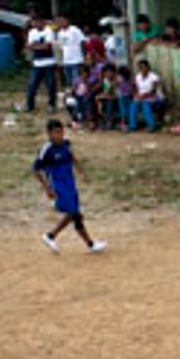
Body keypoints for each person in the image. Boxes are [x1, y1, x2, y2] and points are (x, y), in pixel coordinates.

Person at [34, 119, 105, 253]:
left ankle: (51, 236)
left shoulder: (65, 143)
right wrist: (47, 188)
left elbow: (71, 155)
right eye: (56, 132)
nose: (59, 135)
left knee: (73, 214)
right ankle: (90, 244)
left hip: (70, 182)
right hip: (58, 184)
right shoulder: (46, 150)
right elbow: (36, 170)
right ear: (49, 134)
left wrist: (80, 170)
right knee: (75, 213)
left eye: (61, 132)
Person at [25, 17, 60, 112]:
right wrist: (39, 46)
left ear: (42, 22)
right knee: (32, 85)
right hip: (37, 63)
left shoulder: (49, 31)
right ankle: (30, 105)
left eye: (37, 21)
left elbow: (47, 47)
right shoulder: (32, 32)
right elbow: (28, 46)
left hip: (49, 62)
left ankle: (52, 105)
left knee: (51, 85)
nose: (35, 24)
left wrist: (35, 46)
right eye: (33, 22)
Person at [129, 59, 163, 132]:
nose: (142, 69)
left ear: (148, 67)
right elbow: (136, 89)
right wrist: (136, 95)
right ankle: (133, 126)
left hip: (153, 97)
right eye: (140, 68)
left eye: (143, 67)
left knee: (145, 104)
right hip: (142, 96)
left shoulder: (154, 77)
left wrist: (143, 96)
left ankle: (151, 126)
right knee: (133, 105)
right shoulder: (138, 77)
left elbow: (153, 90)